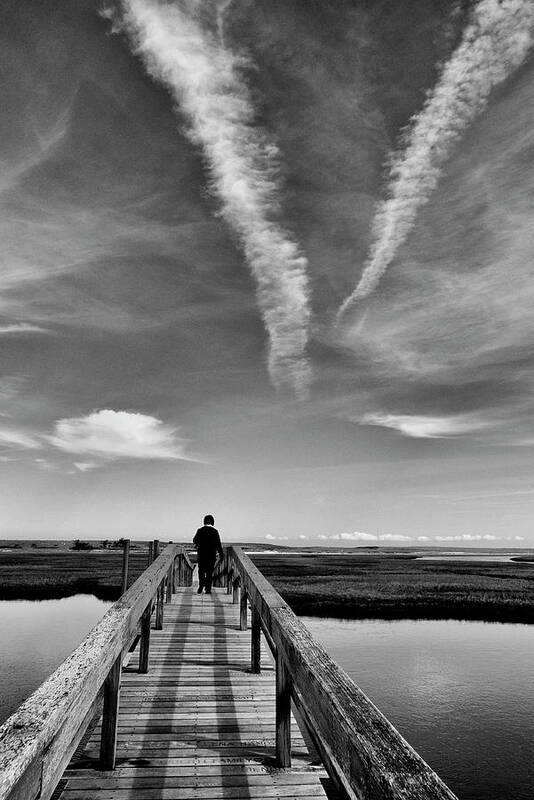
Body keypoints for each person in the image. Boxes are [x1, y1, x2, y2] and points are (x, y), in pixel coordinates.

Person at [193, 514, 224, 594]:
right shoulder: (215, 531)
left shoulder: (200, 530)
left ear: (204, 521)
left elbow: (195, 540)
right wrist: (221, 554)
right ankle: (208, 589)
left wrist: (198, 544)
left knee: (201, 571)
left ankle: (201, 585)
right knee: (209, 572)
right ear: (212, 522)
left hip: (202, 555)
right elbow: (218, 544)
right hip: (211, 555)